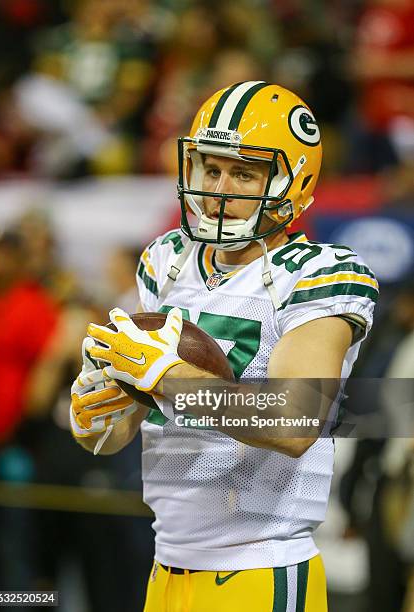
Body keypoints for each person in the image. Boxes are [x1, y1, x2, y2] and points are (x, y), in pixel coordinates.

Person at [70, 82, 378, 611]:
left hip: (259, 567)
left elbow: (294, 420)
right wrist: (100, 414)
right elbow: (134, 421)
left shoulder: (317, 275)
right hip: (165, 564)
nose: (219, 188)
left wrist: (165, 375)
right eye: (211, 169)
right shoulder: (165, 261)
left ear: (292, 180)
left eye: (243, 172)